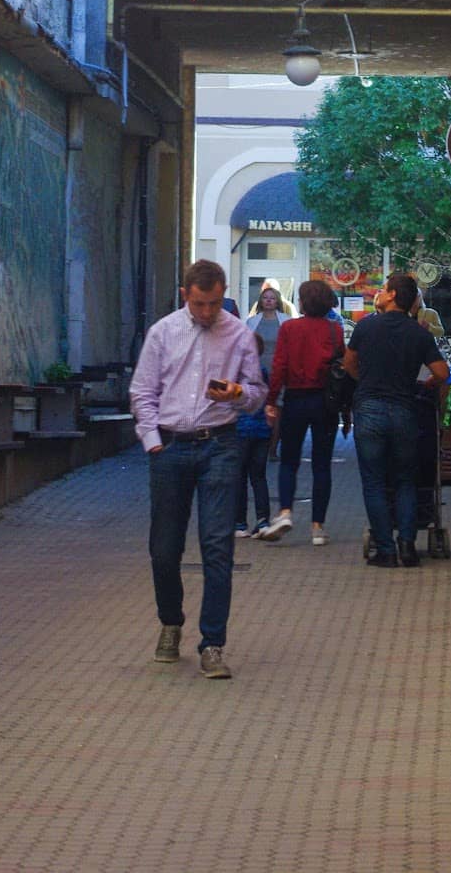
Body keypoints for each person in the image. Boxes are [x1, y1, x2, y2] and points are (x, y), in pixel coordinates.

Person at [130, 258, 267, 679]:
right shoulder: (163, 333)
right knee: (164, 548)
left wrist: (239, 393)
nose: (208, 313)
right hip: (170, 447)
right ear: (186, 295)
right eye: (200, 304)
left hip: (220, 445)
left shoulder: (239, 334)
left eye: (214, 303)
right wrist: (152, 442)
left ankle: (213, 643)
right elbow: (142, 392)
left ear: (223, 294)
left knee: (217, 545)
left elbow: (258, 393)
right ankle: (171, 621)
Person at [344, 271, 450, 569]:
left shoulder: (366, 327)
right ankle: (408, 546)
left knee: (375, 482)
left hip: (370, 409)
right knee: (406, 481)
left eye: (383, 288)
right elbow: (442, 373)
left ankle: (386, 550)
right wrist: (425, 385)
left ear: (392, 295)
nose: (379, 291)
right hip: (405, 410)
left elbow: (348, 363)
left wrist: (364, 379)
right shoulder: (419, 333)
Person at [258, 279, 344, 546]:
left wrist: (271, 401)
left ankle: (285, 512)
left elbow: (279, 366)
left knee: (289, 461)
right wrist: (347, 408)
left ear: (304, 302)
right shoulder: (335, 331)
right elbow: (341, 369)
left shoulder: (290, 328)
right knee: (321, 465)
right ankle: (318, 527)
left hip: (295, 399)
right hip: (325, 403)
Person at [235, 336, 272, 538]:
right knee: (258, 477)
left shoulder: (235, 373)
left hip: (240, 430)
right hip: (261, 430)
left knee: (239, 477)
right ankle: (263, 521)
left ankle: (240, 523)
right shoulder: (263, 372)